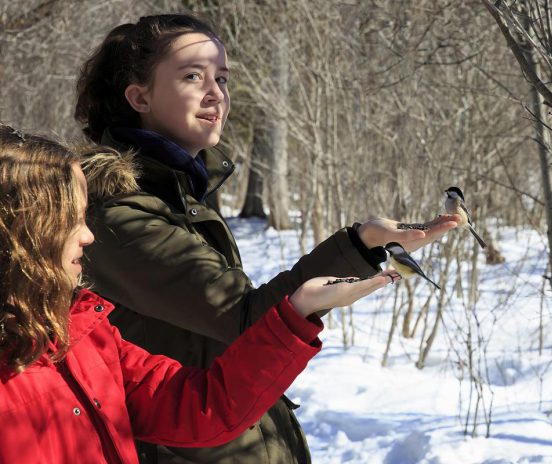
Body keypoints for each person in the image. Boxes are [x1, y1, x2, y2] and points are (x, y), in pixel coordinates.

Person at [74, 14, 461, 464]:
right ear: (139, 96)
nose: (215, 93)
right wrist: (355, 247)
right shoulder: (120, 213)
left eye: (222, 78)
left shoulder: (180, 193)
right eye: (193, 76)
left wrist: (366, 243)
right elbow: (245, 319)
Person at [0, 125, 400, 463]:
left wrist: (298, 310)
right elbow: (238, 311)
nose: (88, 235)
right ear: (20, 229)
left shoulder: (84, 334)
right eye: (69, 220)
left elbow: (201, 405)